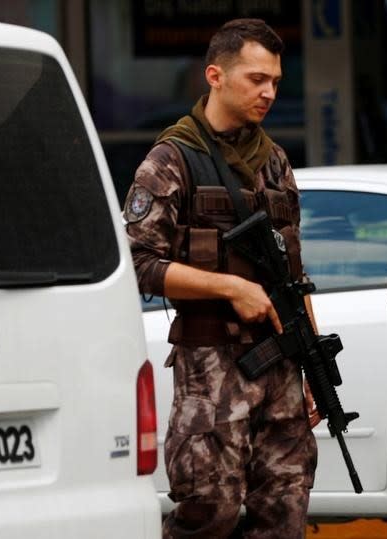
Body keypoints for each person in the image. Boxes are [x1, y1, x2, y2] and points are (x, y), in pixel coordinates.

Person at [124, 19, 318, 539]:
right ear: (215, 75)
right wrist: (229, 287)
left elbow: (293, 274)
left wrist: (311, 364)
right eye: (256, 78)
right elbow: (141, 264)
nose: (269, 92)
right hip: (211, 371)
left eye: (275, 81)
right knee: (210, 511)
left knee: (285, 510)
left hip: (280, 368)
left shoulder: (274, 163)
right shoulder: (171, 162)